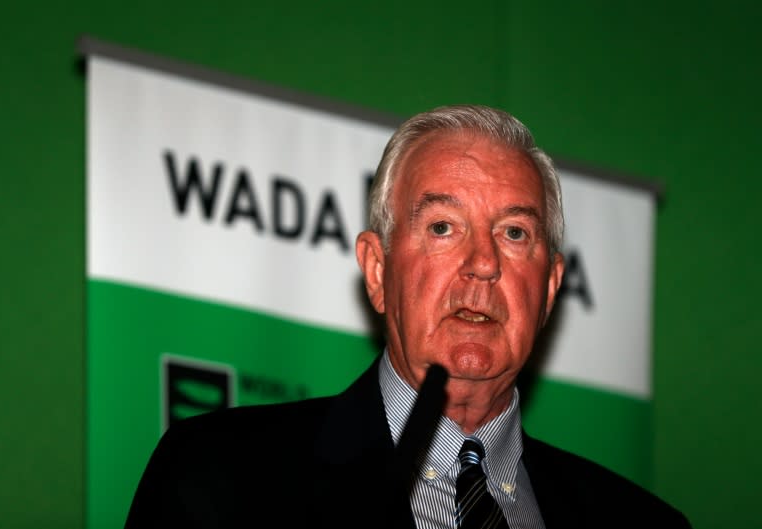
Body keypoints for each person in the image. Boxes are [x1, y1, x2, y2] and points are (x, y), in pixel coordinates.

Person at [124, 104, 692, 528]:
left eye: (514, 233)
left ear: (549, 289)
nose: (484, 263)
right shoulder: (216, 479)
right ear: (376, 271)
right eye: (443, 227)